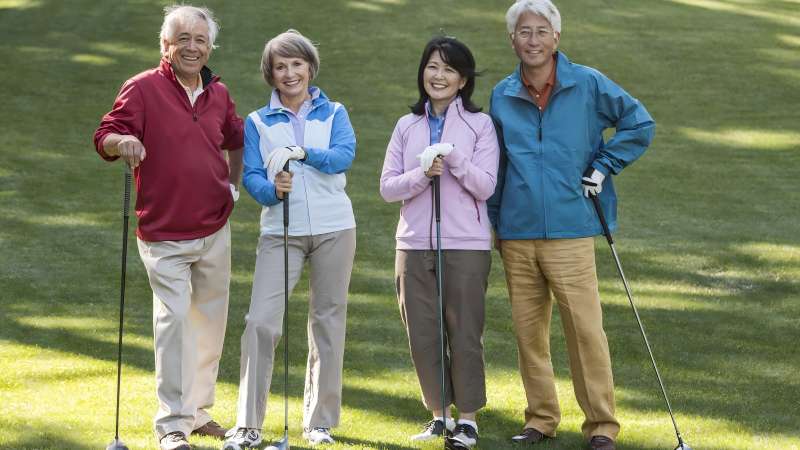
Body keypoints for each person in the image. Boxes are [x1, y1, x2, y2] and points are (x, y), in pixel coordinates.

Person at [487, 1, 656, 449]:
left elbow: (639, 123)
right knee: (528, 334)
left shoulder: (588, 83)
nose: (534, 40)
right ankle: (540, 419)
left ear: (556, 38)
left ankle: (601, 426)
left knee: (585, 331)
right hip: (517, 232)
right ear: (512, 40)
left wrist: (604, 164)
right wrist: (494, 223)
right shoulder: (502, 95)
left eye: (542, 31)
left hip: (572, 228)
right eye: (525, 32)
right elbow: (498, 165)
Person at [93, 5, 243, 450]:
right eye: (183, 39)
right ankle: (172, 425)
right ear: (166, 45)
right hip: (163, 232)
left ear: (210, 46)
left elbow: (235, 140)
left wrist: (233, 188)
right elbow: (105, 134)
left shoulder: (219, 93)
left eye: (200, 40)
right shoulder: (141, 89)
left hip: (214, 227)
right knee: (175, 323)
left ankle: (198, 413)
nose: (192, 47)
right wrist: (124, 141)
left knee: (210, 325)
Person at [223, 29, 357, 449]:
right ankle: (248, 424)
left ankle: (319, 423)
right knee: (260, 322)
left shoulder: (334, 112)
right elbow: (253, 180)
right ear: (271, 74)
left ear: (310, 67)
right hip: (281, 232)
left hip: (335, 227)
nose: (290, 73)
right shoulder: (258, 122)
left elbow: (342, 157)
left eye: (297, 64)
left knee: (327, 322)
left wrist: (302, 154)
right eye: (280, 66)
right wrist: (274, 189)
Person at [380, 36, 499, 449]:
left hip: (466, 243)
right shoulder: (406, 125)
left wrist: (455, 160)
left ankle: (467, 420)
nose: (439, 76)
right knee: (423, 334)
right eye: (432, 66)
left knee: (464, 332)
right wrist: (421, 174)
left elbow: (485, 186)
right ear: (422, 72)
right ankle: (439, 416)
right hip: (413, 244)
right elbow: (387, 187)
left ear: (463, 80)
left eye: (449, 69)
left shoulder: (479, 126)